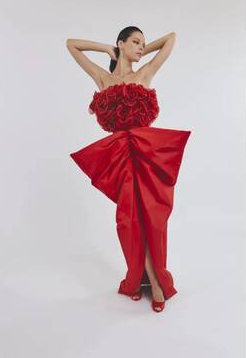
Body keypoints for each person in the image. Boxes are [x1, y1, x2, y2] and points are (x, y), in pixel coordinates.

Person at [67, 26, 191, 313]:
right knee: (129, 220)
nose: (141, 47)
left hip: (147, 155)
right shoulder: (103, 78)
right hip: (120, 156)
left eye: (143, 44)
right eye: (135, 42)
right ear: (121, 43)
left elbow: (171, 38)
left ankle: (154, 280)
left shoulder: (144, 74)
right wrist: (107, 49)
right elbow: (71, 44)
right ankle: (144, 280)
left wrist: (139, 53)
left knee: (153, 218)